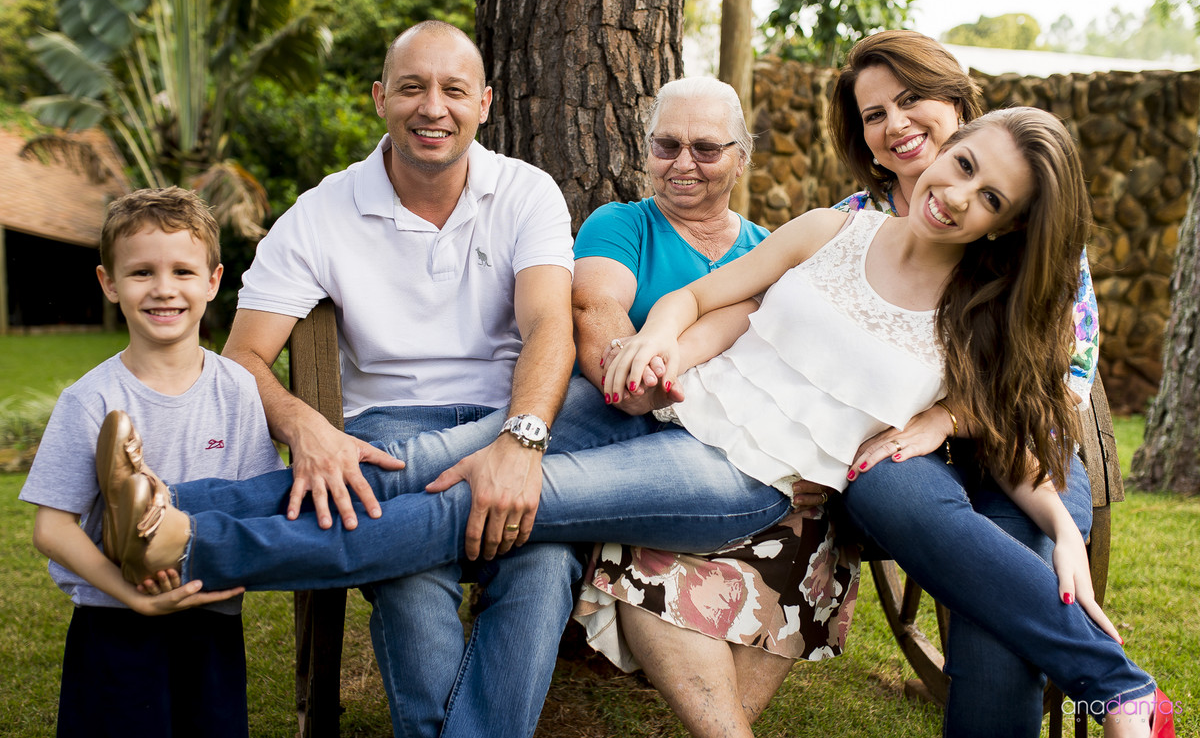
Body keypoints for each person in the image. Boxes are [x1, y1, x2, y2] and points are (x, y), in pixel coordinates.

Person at [107, 108, 1171, 738]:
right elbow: (709, 297)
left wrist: (1053, 520)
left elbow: (1018, 434)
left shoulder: (977, 319)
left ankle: (187, 541)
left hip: (733, 477)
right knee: (423, 456)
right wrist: (660, 342)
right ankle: (167, 508)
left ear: (1007, 229)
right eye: (966, 164)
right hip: (666, 403)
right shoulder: (832, 231)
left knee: (471, 495)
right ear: (946, 145)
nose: (958, 193)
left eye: (991, 200)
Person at [217, 19, 629, 738]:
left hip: (507, 424)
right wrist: (306, 425)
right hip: (391, 441)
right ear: (381, 98)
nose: (432, 107)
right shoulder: (320, 214)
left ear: (485, 104)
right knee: (409, 579)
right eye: (412, 87)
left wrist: (520, 442)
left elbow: (548, 325)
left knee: (540, 568)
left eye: (453, 90)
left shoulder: (525, 193)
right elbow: (242, 357)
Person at [827, 29, 1101, 738]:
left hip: (1020, 441)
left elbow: (1067, 374)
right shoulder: (852, 227)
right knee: (977, 558)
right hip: (904, 454)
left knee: (1009, 589)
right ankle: (1117, 685)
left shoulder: (1033, 223)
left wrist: (951, 414)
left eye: (911, 99)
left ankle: (1109, 688)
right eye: (874, 114)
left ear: (958, 104)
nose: (895, 124)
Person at [569, 75, 836, 731]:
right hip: (636, 436)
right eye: (667, 145)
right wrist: (632, 376)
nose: (682, 163)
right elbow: (597, 309)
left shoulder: (769, 251)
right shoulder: (624, 224)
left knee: (811, 530)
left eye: (707, 149)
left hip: (748, 456)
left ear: (742, 158)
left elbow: (803, 374)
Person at [18, 188, 282, 737]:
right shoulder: (91, 399)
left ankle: (164, 519)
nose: (164, 288)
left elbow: (257, 501)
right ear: (109, 283)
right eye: (141, 273)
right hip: (113, 624)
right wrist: (131, 595)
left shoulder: (236, 388)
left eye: (183, 271)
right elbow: (51, 527)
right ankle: (137, 528)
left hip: (210, 614)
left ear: (213, 281)